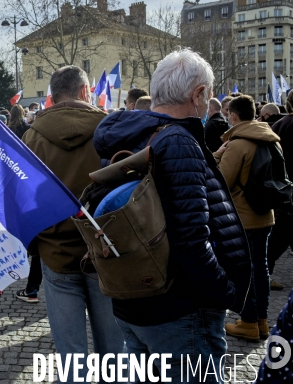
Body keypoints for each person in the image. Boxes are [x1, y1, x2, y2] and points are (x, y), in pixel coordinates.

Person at [93, 49, 251, 381]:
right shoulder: (178, 141)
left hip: (133, 299)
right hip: (179, 311)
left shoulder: (133, 135)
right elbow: (192, 240)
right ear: (198, 95)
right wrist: (225, 291)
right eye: (208, 97)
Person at [21, 65, 124, 383]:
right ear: (84, 91)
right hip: (105, 252)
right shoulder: (109, 128)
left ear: (52, 96)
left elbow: (25, 200)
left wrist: (35, 244)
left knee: (71, 355)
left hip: (56, 254)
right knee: (114, 352)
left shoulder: (32, 136)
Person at [214, 95, 278, 342]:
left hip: (243, 217)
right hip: (265, 214)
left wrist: (217, 156)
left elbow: (222, 181)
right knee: (261, 269)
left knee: (245, 271)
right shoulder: (270, 139)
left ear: (233, 115)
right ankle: (261, 321)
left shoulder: (238, 144)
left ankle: (249, 321)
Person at [267, 91, 293, 291]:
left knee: (276, 240)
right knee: (278, 239)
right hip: (287, 190)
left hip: (282, 189)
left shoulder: (278, 126)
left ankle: (265, 274)